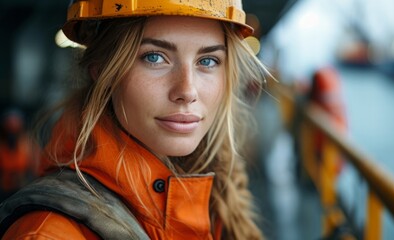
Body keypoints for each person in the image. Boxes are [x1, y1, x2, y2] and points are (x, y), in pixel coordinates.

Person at [0, 0, 271, 239]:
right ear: (102, 70)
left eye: (208, 61)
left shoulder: (210, 205)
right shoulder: (47, 234)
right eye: (155, 57)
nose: (187, 91)